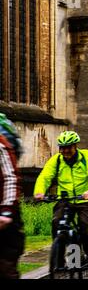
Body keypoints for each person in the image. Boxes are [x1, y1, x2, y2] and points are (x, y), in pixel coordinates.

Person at [34, 131, 88, 269]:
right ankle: (59, 262)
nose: (64, 151)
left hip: (87, 199)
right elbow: (45, 176)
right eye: (62, 147)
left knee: (85, 228)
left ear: (75, 146)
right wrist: (39, 192)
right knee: (57, 223)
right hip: (66, 199)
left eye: (68, 147)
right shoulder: (57, 160)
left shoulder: (86, 156)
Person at [0, 114, 24, 279]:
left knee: (5, 267)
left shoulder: (2, 145)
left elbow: (10, 177)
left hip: (5, 215)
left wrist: (7, 212)